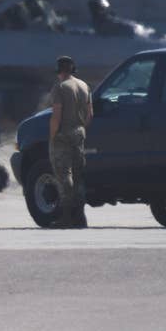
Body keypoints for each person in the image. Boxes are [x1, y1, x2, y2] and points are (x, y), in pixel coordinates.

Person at [49, 55, 93, 228]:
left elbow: (56, 116)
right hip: (79, 133)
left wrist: (53, 136)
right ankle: (80, 216)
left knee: (64, 175)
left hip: (63, 135)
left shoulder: (59, 87)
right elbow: (90, 115)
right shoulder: (84, 86)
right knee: (78, 175)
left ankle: (67, 216)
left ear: (59, 71)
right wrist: (81, 128)